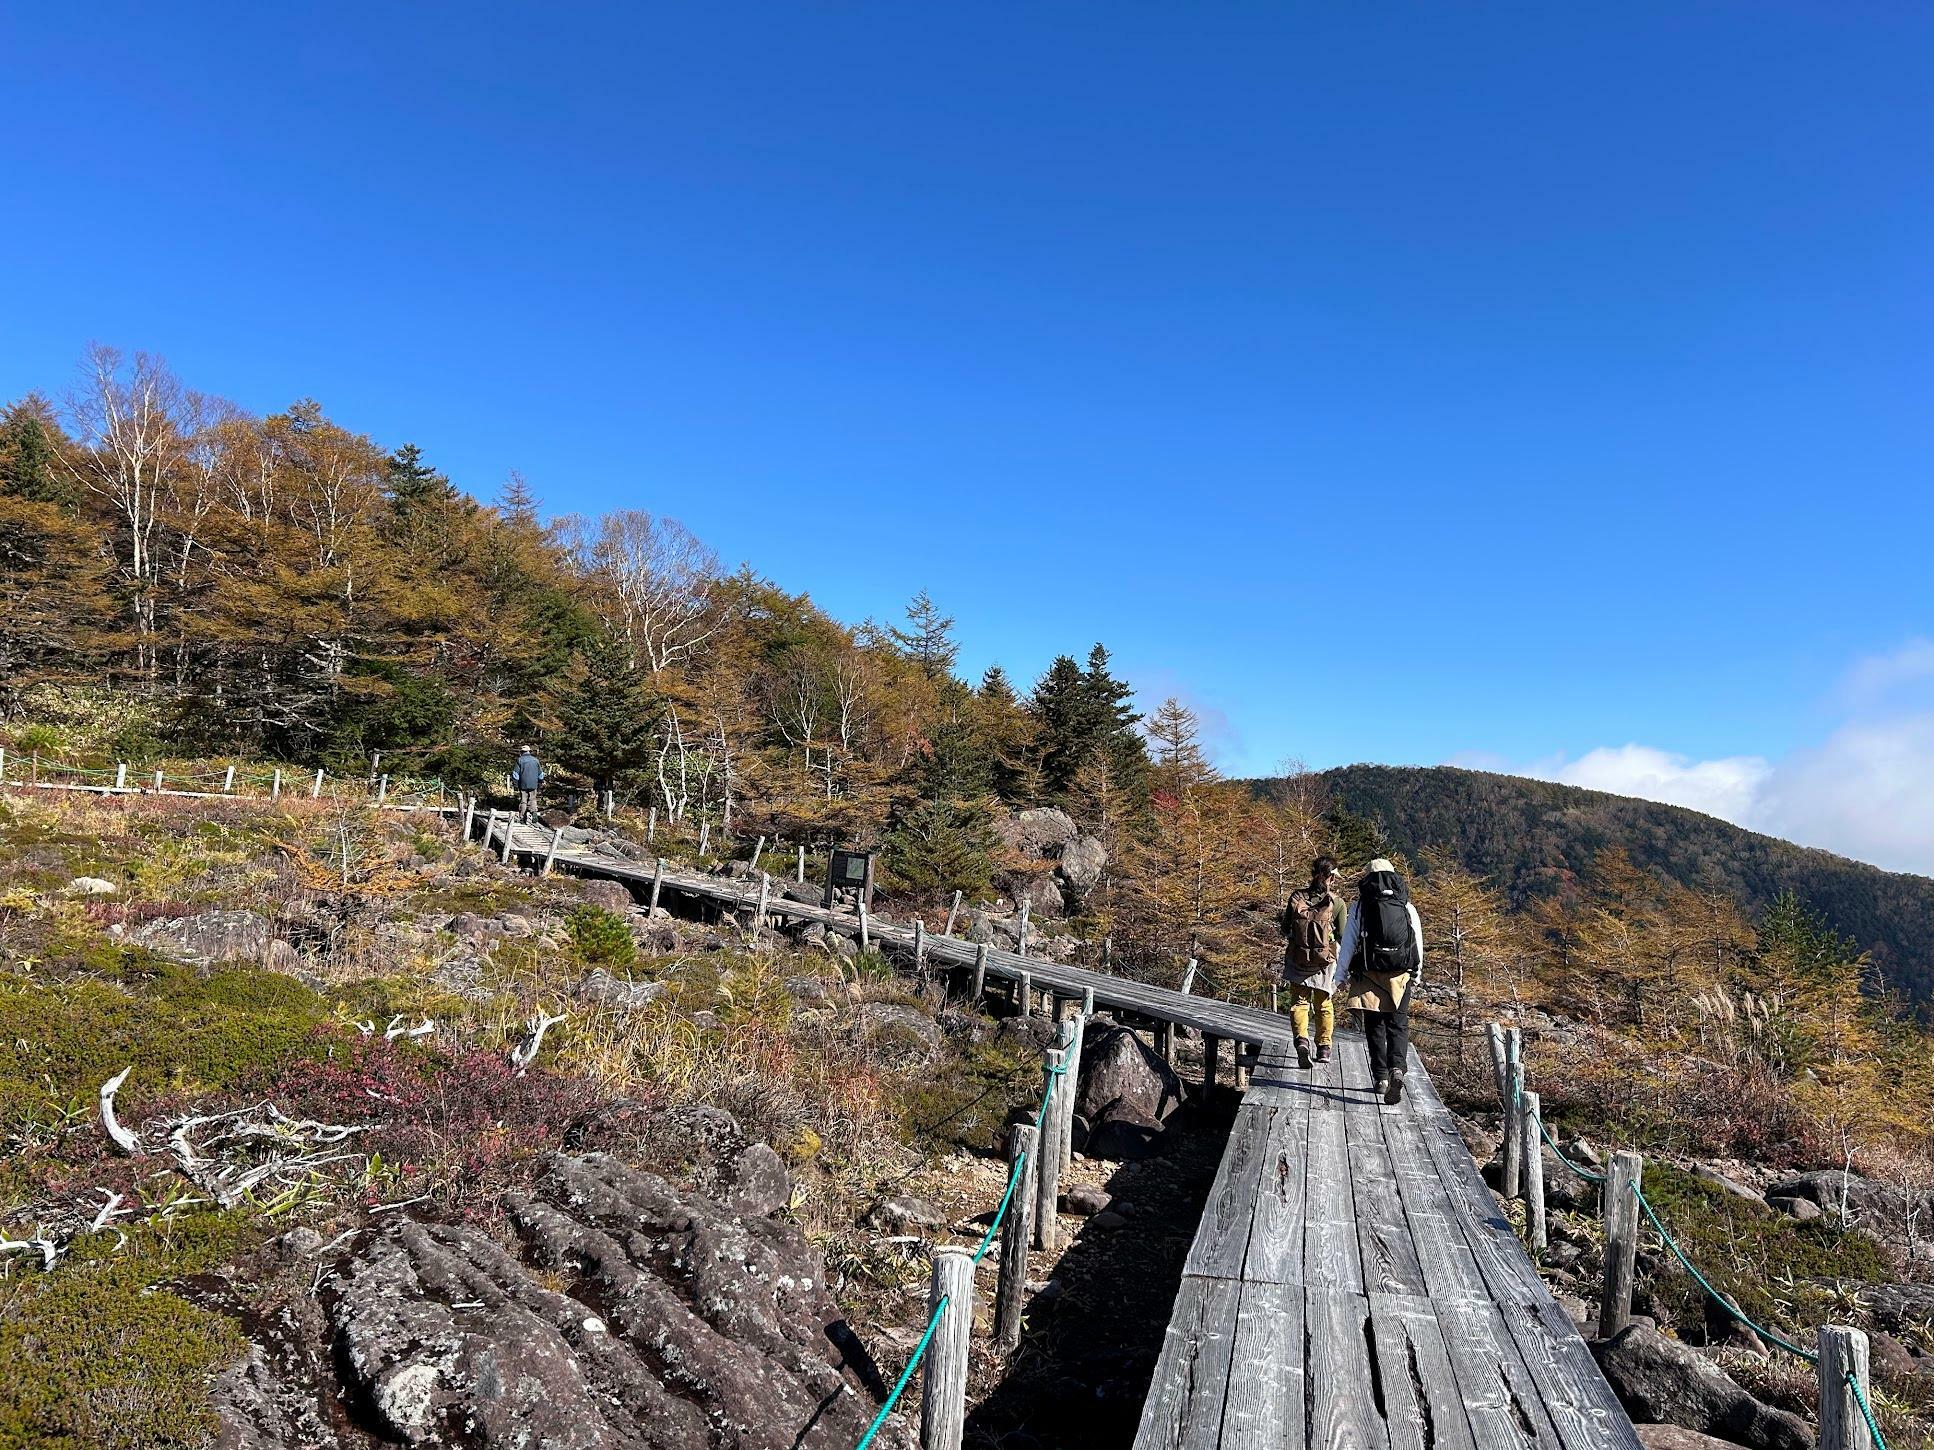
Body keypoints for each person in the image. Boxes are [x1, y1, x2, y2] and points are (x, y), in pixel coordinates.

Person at [1336, 857, 1424, 1104]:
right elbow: (1416, 940)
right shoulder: (1405, 905)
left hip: (1369, 973)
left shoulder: (1360, 906)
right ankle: (1398, 1068)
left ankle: (1381, 1077)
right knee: (1398, 1023)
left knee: (1375, 1025)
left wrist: (1340, 975)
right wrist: (1416, 973)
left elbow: (1348, 944)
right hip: (1400, 973)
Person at [1282, 855, 1347, 1070]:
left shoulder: (1296, 897)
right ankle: (1324, 1049)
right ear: (1328, 878)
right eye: (1333, 877)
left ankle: (1302, 1041)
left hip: (1298, 958)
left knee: (1299, 1004)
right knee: (1324, 1005)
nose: (1334, 881)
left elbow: (1285, 929)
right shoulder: (1336, 903)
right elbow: (1343, 936)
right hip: (1324, 962)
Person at [511, 744, 544, 823]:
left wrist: (515, 784)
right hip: (533, 784)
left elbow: (515, 774)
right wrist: (540, 781)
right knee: (533, 799)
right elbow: (541, 774)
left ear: (521, 752)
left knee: (523, 801)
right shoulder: (536, 760)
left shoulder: (520, 760)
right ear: (529, 751)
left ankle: (522, 817)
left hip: (523, 784)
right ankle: (534, 812)